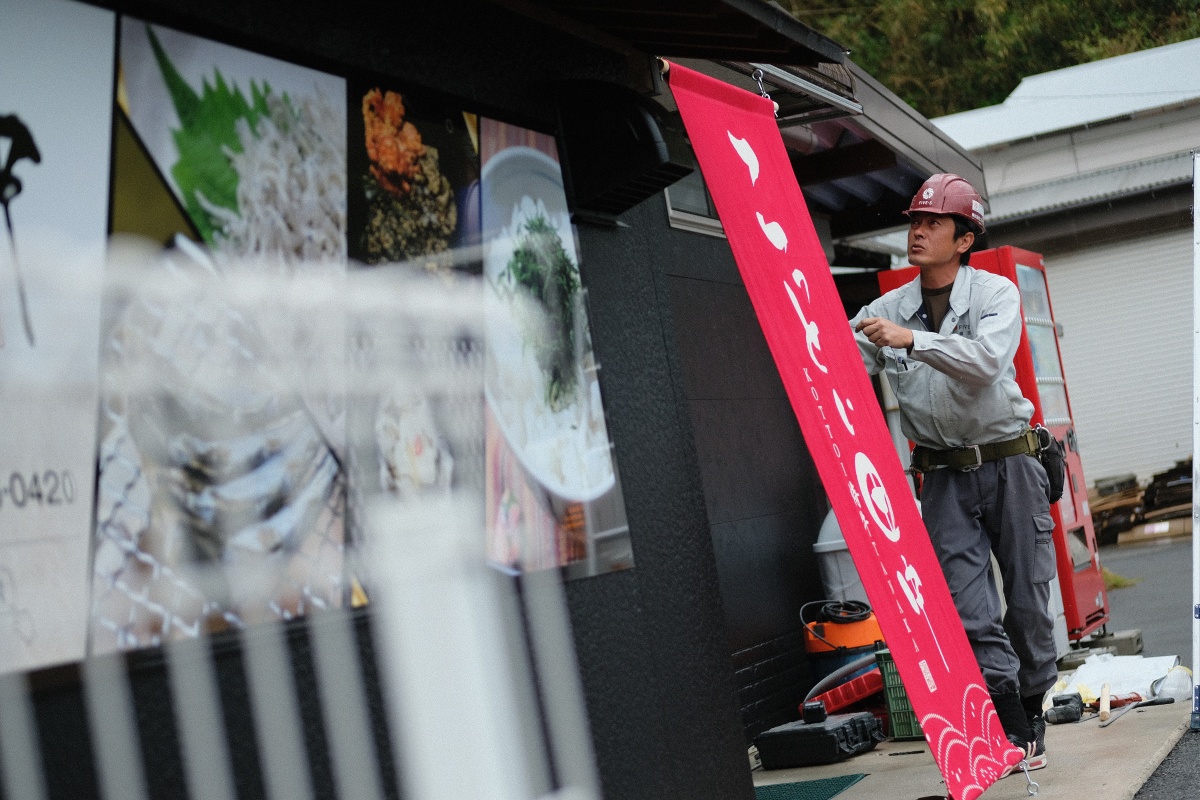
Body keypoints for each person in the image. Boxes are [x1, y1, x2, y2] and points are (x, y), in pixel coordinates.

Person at [849, 173, 1056, 771]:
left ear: (964, 239)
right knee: (968, 609)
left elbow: (989, 361)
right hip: (940, 475)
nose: (917, 232)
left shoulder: (994, 294)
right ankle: (1013, 729)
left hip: (1011, 461)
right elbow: (833, 356)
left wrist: (911, 341)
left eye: (933, 223)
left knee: (1028, 598)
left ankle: (1033, 701)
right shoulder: (885, 310)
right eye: (914, 222)